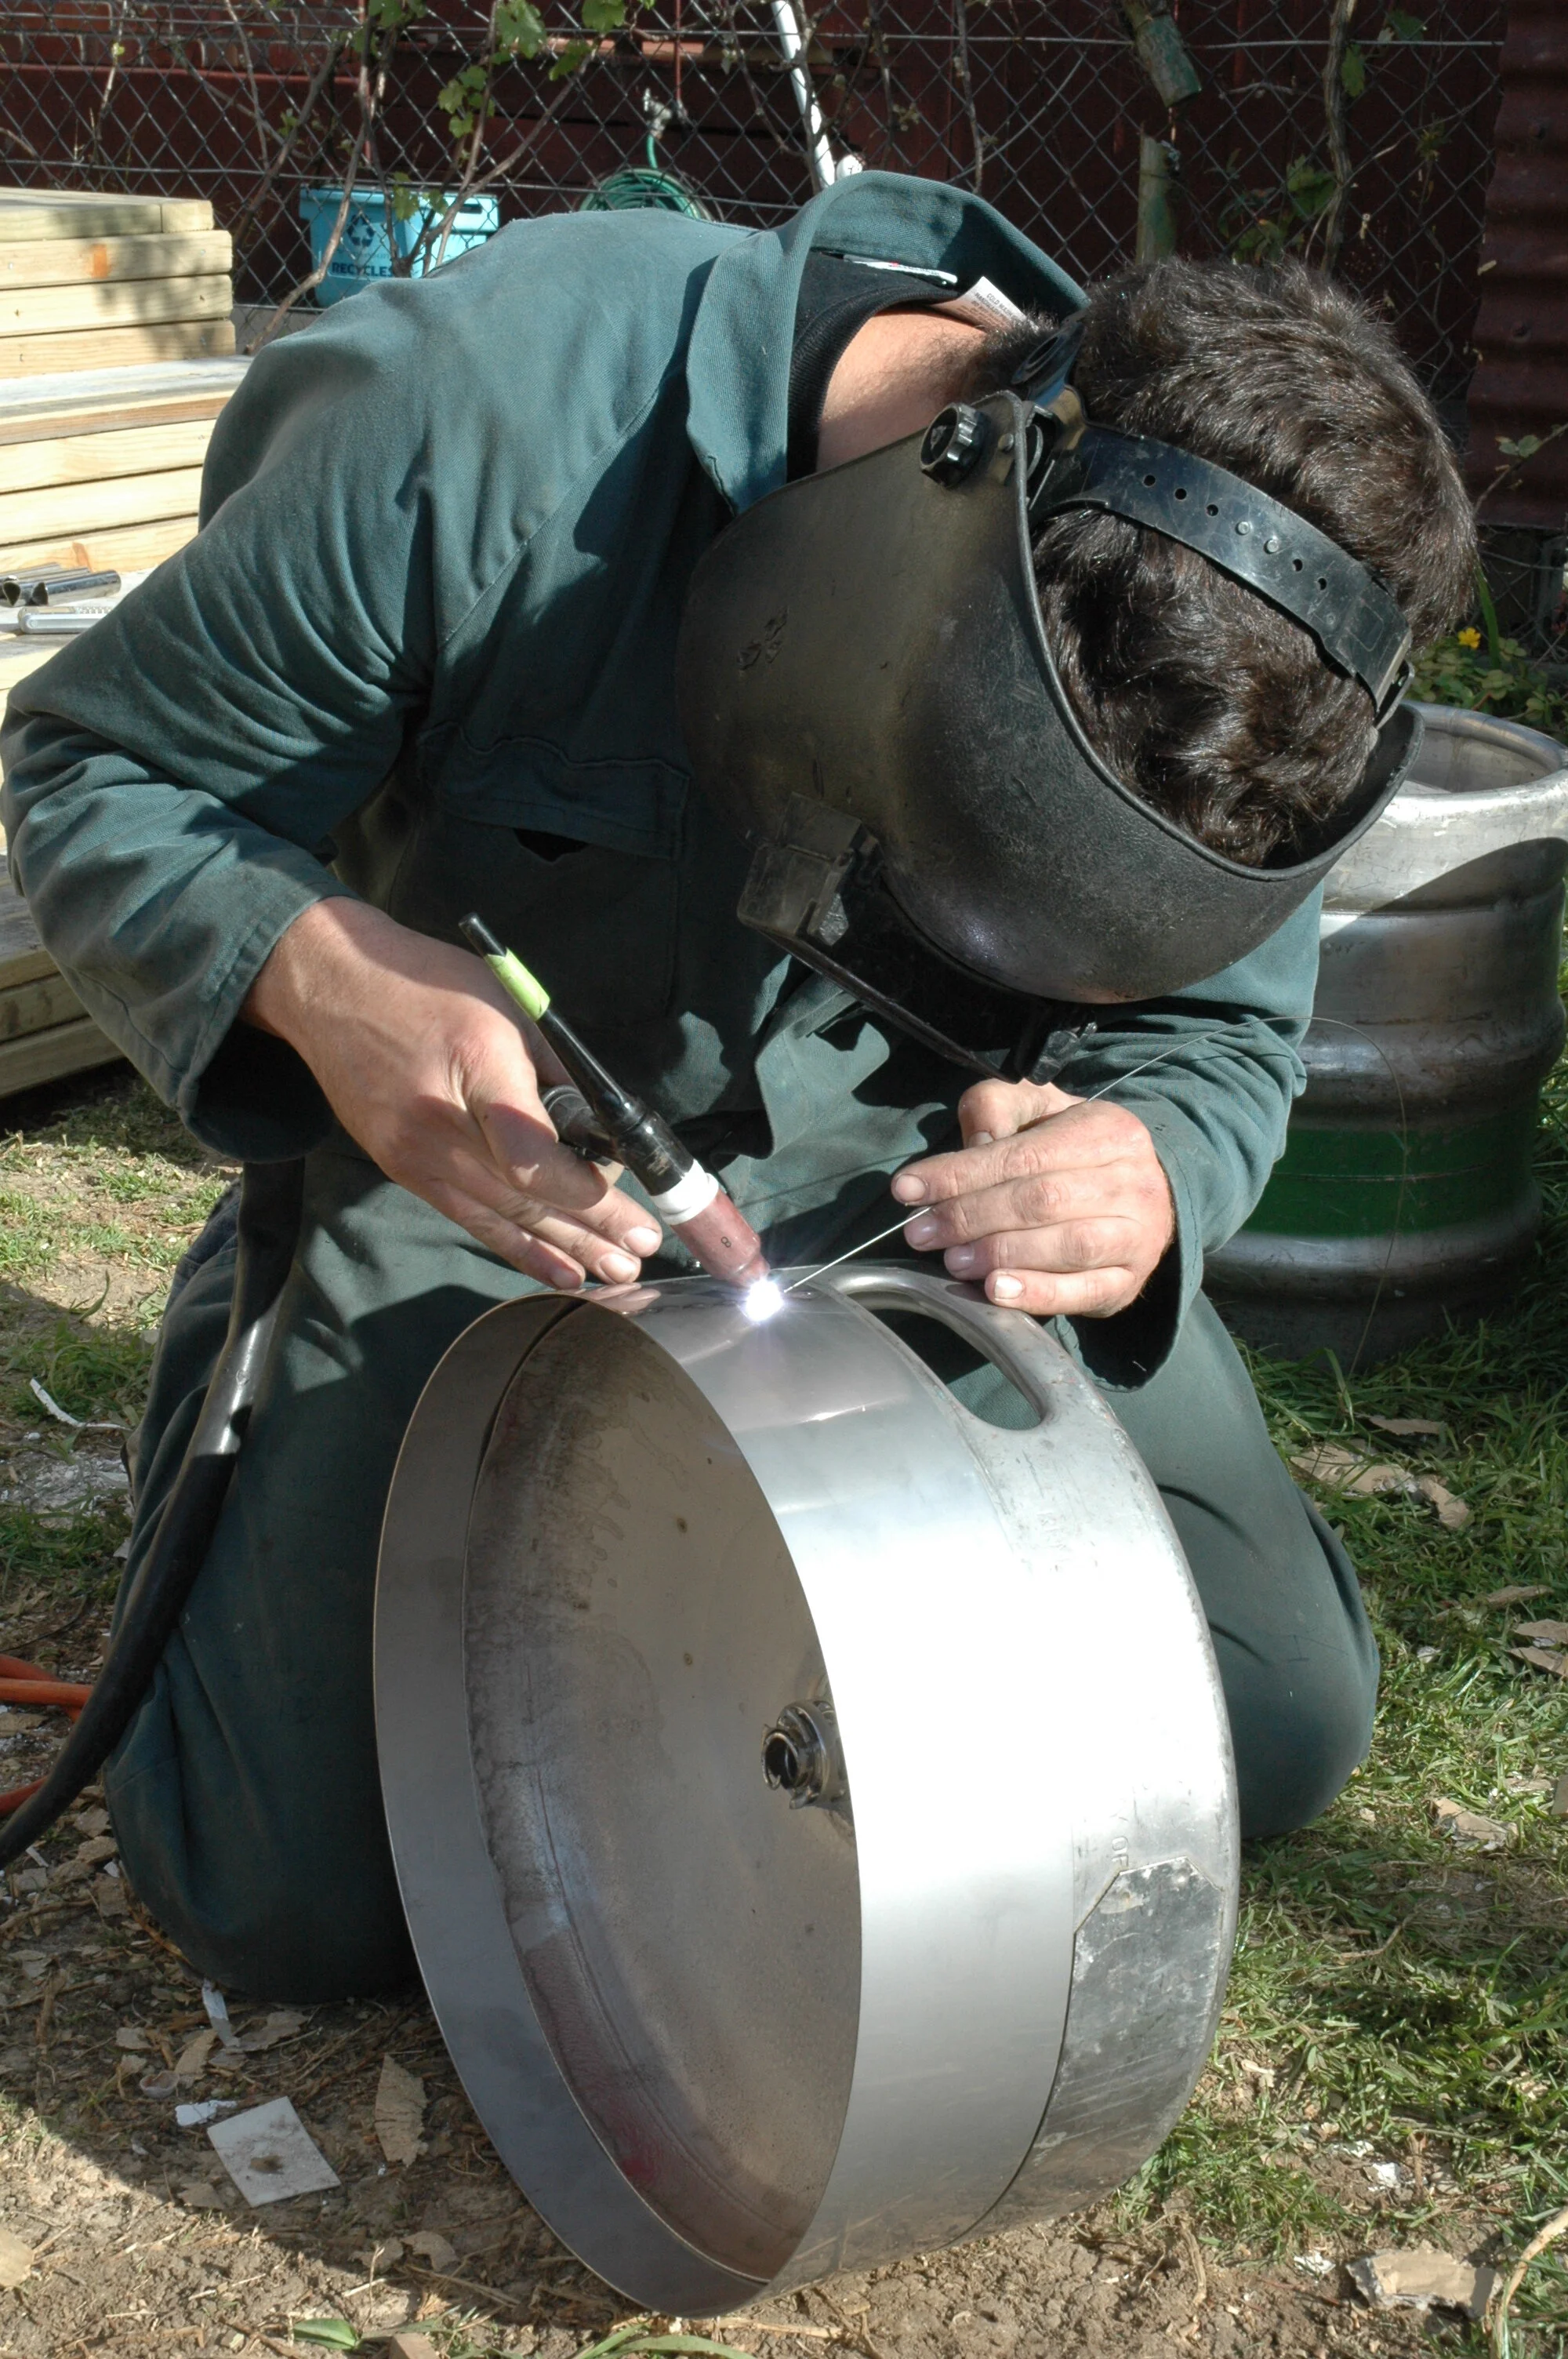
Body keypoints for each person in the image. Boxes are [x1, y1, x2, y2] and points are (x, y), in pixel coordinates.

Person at [0, 173, 1474, 2001]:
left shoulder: (1248, 606)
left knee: (1260, 1718)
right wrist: (325, 979)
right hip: (509, 1169)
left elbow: (1220, 1034)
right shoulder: (477, 416)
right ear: (936, 520)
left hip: (923, 1193)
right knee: (292, 1893)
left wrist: (1149, 1164)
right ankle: (270, 1317)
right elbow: (92, 778)